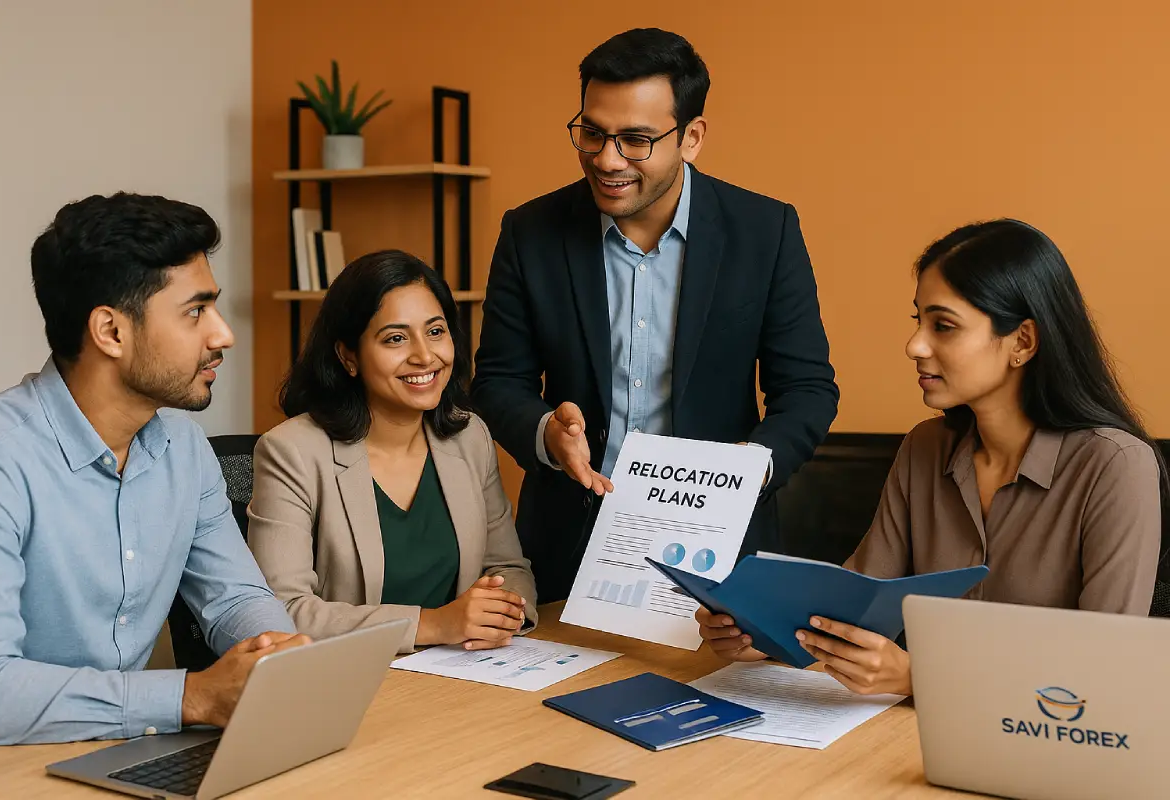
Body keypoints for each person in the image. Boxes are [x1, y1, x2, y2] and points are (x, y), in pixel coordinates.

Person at [698, 218, 1167, 696]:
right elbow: (848, 607)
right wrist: (762, 634)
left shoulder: (1116, 466)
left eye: (944, 326)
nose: (915, 346)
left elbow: (1106, 669)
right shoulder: (925, 447)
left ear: (1022, 342)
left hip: (1052, 748)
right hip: (905, 738)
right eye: (918, 322)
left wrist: (919, 677)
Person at [471, 28, 839, 601]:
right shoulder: (531, 232)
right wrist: (547, 432)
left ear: (691, 137)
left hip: (718, 546)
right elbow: (497, 382)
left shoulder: (765, 232)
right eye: (591, 133)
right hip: (567, 544)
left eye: (635, 140)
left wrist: (749, 472)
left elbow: (809, 389)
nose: (606, 160)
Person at [0, 193, 308, 746]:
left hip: (121, 751)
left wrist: (281, 656)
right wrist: (192, 696)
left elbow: (235, 598)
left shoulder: (183, 447)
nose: (223, 334)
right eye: (196, 311)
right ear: (111, 332)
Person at [247, 250, 537, 654]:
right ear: (348, 356)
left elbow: (508, 568)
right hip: (350, 682)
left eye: (436, 331)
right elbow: (281, 610)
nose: (424, 355)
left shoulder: (470, 436)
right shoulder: (291, 452)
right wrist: (434, 624)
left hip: (465, 672)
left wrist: (499, 613)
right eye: (396, 339)